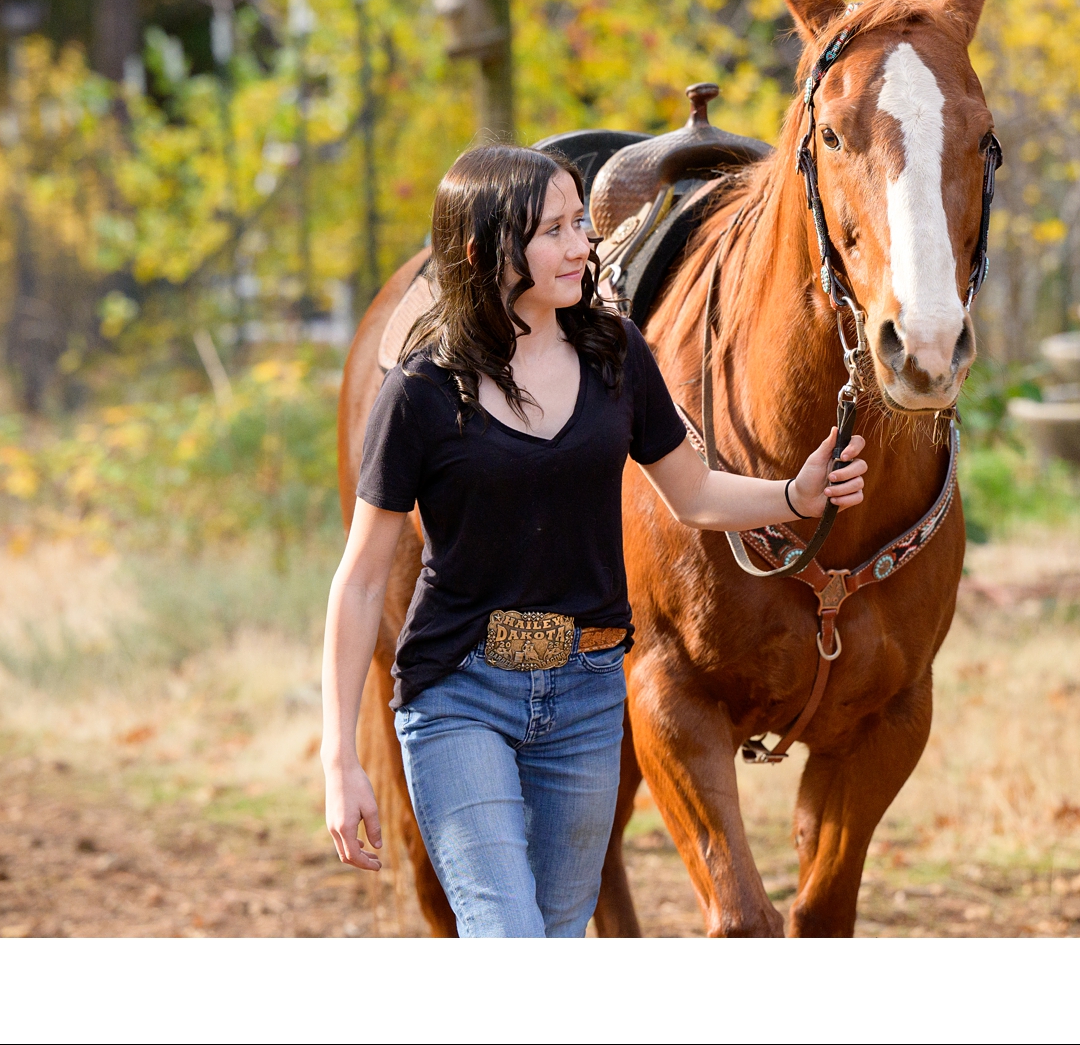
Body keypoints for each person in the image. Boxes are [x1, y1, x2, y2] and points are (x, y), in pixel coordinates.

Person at [318, 144, 869, 937]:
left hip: (584, 698)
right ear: (483, 251)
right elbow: (362, 582)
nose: (582, 246)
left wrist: (793, 493)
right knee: (511, 937)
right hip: (461, 693)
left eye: (582, 223)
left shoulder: (616, 357)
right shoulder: (422, 393)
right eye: (554, 231)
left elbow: (694, 492)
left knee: (557, 935)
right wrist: (342, 759)